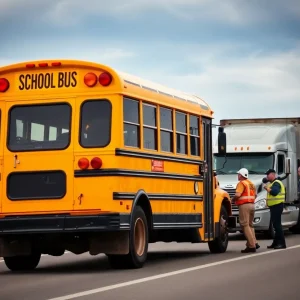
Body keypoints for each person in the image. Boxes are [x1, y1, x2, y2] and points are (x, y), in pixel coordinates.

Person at [231, 168, 259, 253]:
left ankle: (251, 245)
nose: (238, 176)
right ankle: (255, 242)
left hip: (244, 206)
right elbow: (256, 195)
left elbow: (238, 194)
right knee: (250, 225)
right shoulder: (251, 184)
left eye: (238, 174)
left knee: (245, 225)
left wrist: (232, 200)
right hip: (252, 205)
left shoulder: (241, 183)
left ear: (241, 175)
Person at [263, 168, 286, 249]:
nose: (267, 176)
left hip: (277, 206)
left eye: (268, 174)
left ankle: (282, 243)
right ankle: (275, 243)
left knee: (277, 225)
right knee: (275, 225)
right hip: (274, 206)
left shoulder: (276, 183)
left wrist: (266, 188)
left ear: (273, 174)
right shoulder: (272, 183)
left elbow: (274, 192)